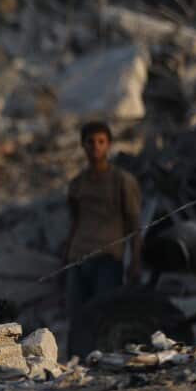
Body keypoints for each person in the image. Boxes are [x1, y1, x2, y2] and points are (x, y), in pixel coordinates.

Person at [62, 121, 143, 327]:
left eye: (101, 141)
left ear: (109, 145)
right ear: (83, 145)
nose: (96, 147)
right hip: (78, 257)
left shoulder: (122, 180)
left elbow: (134, 223)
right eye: (90, 142)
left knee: (105, 317)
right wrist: (66, 255)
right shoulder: (77, 183)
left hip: (108, 258)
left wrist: (135, 261)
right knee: (77, 319)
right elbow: (75, 221)